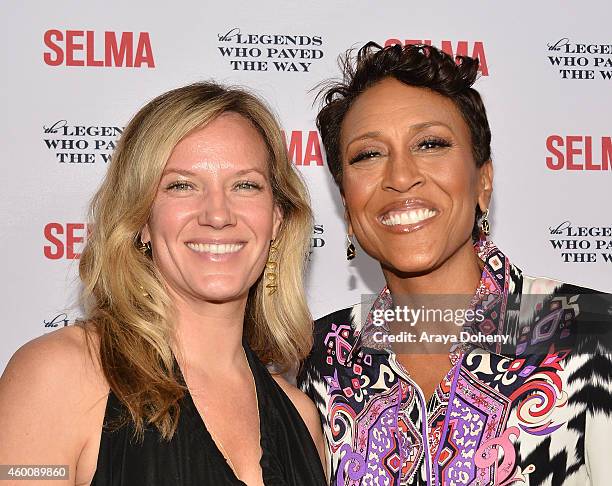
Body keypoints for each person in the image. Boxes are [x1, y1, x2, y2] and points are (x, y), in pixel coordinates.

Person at [298, 42, 612, 485]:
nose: (401, 177)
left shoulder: (591, 332)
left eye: (430, 144)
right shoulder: (327, 353)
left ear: (483, 181)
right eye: (369, 154)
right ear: (346, 205)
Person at [0, 82, 326, 485]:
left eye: (245, 185)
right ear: (141, 221)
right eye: (181, 185)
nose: (218, 214)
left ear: (276, 218)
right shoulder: (60, 376)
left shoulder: (302, 418)